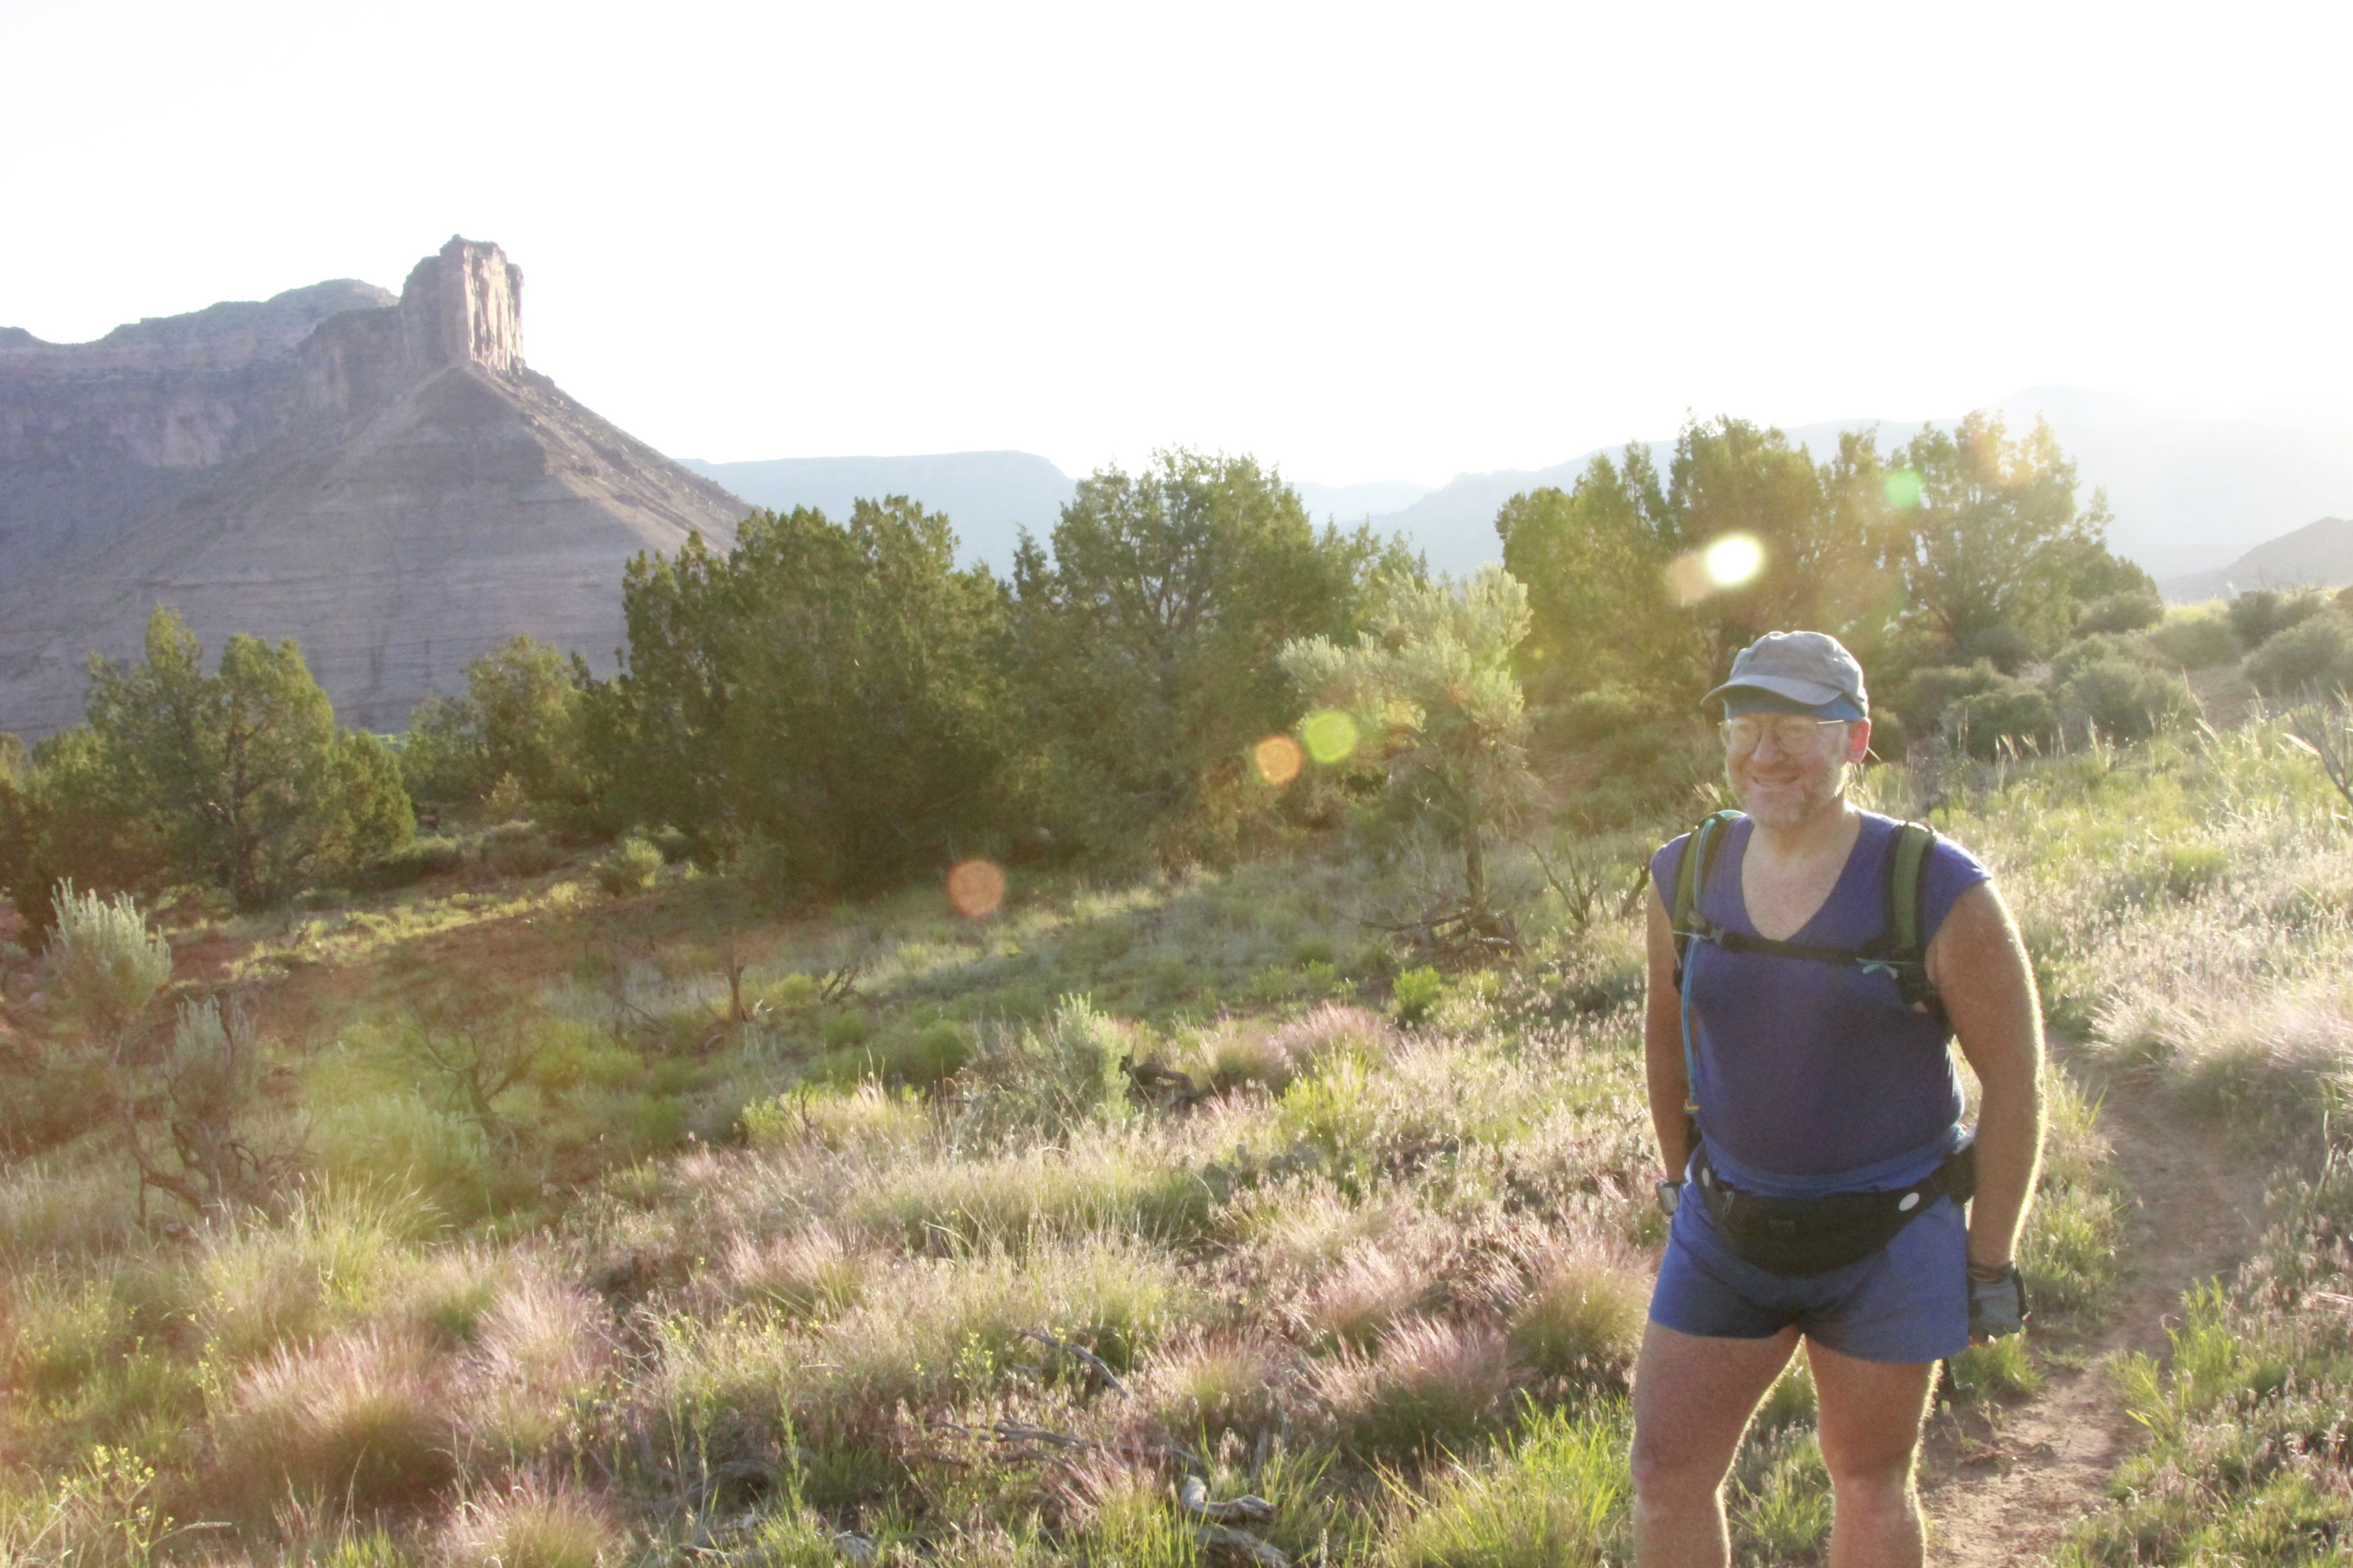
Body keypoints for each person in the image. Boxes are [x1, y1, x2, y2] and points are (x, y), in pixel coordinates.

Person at [1629, 630, 2043, 1568]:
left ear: (1854, 740)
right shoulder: (1683, 874)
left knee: (1867, 1478)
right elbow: (1663, 1033)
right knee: (1664, 1472)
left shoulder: (1933, 888)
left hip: (1886, 1240)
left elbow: (2014, 1084)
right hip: (1726, 1232)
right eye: (1744, 725)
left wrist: (1988, 1262)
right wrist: (1676, 1181)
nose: (1763, 752)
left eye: (1794, 727)